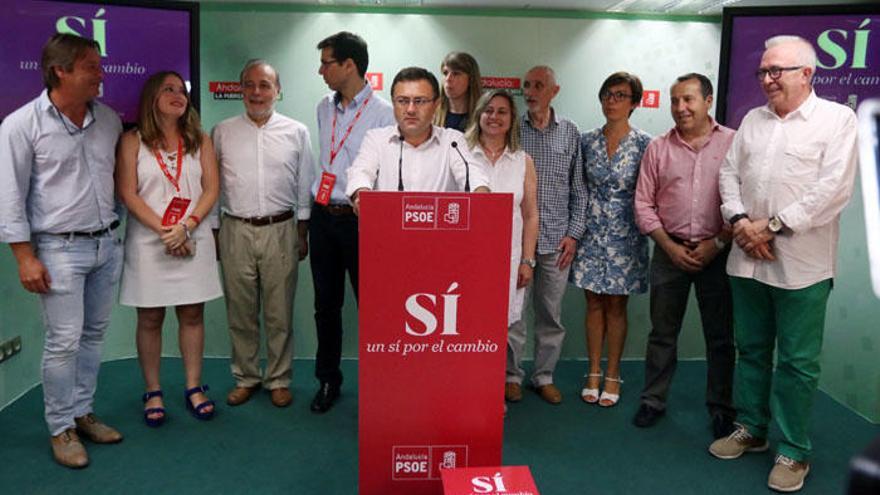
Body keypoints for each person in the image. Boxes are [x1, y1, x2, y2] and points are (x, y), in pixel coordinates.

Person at [709, 35, 858, 493]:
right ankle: (751, 429)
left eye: (777, 71)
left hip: (802, 268)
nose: (767, 79)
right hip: (747, 260)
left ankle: (794, 451)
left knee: (796, 363)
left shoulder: (837, 120)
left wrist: (768, 227)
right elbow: (728, 173)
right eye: (764, 72)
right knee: (750, 350)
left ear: (807, 74)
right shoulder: (752, 121)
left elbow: (832, 190)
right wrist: (739, 222)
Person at [0, 33, 123, 469]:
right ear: (61, 71)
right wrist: (23, 256)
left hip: (107, 244)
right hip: (57, 251)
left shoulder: (107, 119)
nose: (100, 73)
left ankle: (81, 412)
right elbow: (10, 197)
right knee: (64, 341)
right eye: (91, 66)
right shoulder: (20, 125)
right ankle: (60, 428)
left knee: (93, 336)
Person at [632, 73, 736, 437]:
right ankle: (652, 400)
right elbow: (643, 204)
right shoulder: (658, 148)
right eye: (675, 100)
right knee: (662, 333)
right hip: (668, 251)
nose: (680, 108)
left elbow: (746, 200)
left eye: (688, 99)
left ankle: (722, 408)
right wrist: (670, 246)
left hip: (719, 253)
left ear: (708, 101)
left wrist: (718, 243)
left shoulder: (734, 144)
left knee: (720, 336)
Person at [116, 71, 223, 426]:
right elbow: (128, 193)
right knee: (149, 317)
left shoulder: (200, 139)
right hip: (150, 240)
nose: (178, 95)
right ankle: (154, 390)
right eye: (169, 89)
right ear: (152, 97)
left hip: (193, 236)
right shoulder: (132, 140)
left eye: (182, 90)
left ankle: (194, 387)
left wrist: (186, 227)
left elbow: (211, 189)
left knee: (192, 314)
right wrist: (167, 231)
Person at [213, 60, 314, 408]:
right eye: (250, 85)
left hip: (281, 229)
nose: (257, 92)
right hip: (235, 229)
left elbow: (305, 185)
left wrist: (302, 232)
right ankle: (246, 376)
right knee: (239, 310)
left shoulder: (297, 132)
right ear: (240, 89)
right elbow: (211, 187)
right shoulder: (222, 131)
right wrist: (214, 232)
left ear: (278, 91)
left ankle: (279, 378)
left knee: (278, 312)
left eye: (265, 85)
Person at [310, 31, 394, 413]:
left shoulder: (385, 114)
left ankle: (382, 384)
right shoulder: (323, 108)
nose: (321, 70)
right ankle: (328, 380)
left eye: (327, 62)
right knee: (325, 306)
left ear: (349, 65)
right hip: (323, 216)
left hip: (364, 221)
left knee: (374, 307)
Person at [570, 71, 651, 408]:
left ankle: (613, 372)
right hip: (591, 233)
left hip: (626, 236)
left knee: (617, 306)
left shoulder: (646, 143)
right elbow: (578, 188)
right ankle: (592, 371)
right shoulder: (586, 140)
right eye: (607, 94)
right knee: (592, 303)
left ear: (634, 103)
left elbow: (649, 193)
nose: (612, 101)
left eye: (620, 95)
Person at [508, 65, 585, 405]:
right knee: (513, 313)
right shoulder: (512, 131)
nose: (530, 91)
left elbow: (579, 189)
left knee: (550, 314)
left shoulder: (570, 133)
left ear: (555, 90)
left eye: (539, 85)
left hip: (555, 241)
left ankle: (544, 376)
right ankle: (511, 376)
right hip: (515, 240)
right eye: (526, 85)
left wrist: (574, 234)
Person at [345, 66, 490, 202]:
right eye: (402, 101)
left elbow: (473, 175)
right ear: (393, 103)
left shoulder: (453, 141)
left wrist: (482, 196)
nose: (411, 109)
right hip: (389, 226)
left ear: (436, 105)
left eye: (420, 101)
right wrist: (362, 195)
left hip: (440, 228)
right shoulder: (376, 139)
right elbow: (360, 173)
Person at [465, 89, 538, 331]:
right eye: (488, 110)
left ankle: (509, 372)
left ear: (511, 119)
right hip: (467, 256)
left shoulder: (523, 161)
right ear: (478, 115)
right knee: (465, 320)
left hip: (509, 258)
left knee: (508, 329)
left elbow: (530, 215)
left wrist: (527, 260)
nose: (494, 116)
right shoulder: (459, 154)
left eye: (502, 112)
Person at [434, 52, 482, 132]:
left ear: (471, 79)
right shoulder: (433, 114)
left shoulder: (482, 117)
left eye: (456, 74)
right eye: (445, 73)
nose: (448, 79)